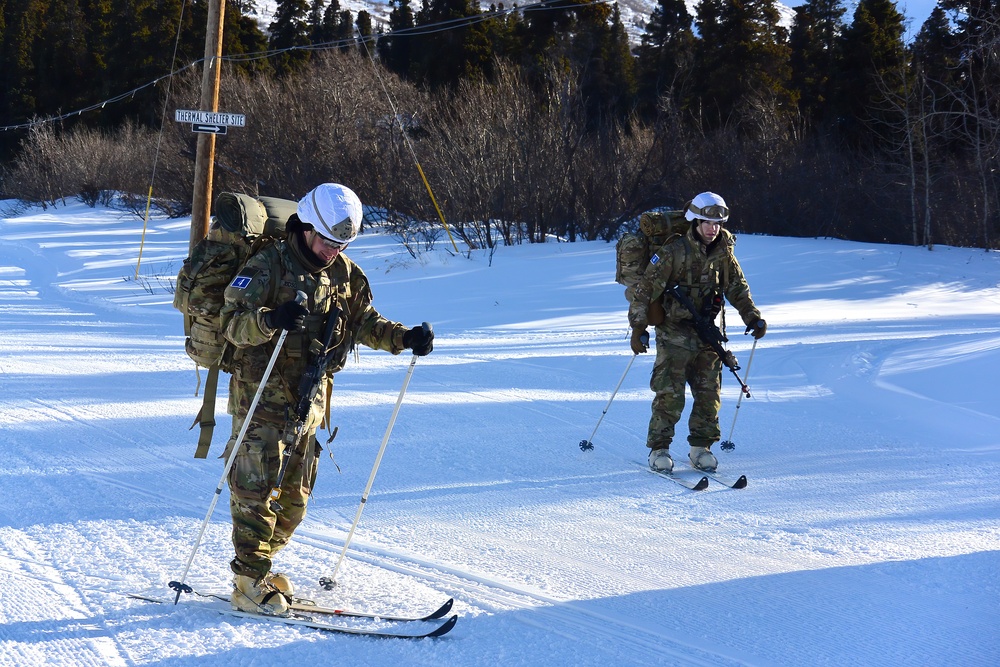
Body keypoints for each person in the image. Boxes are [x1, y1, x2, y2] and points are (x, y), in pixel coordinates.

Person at [219, 182, 434, 615]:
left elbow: (365, 322)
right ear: (305, 225)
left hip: (308, 401)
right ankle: (248, 579)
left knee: (295, 502)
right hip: (261, 397)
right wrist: (270, 319)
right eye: (326, 240)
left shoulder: (345, 275)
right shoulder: (267, 266)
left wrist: (404, 337)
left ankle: (260, 563)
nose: (331, 250)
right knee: (253, 491)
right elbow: (231, 324)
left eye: (341, 244)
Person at [627, 192, 765, 474]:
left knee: (708, 394)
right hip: (674, 332)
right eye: (706, 222)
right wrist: (639, 328)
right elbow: (644, 292)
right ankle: (659, 449)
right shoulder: (673, 251)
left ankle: (701, 448)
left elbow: (737, 287)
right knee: (669, 392)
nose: (712, 229)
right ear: (695, 221)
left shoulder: (724, 251)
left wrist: (752, 317)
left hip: (709, 334)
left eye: (717, 223)